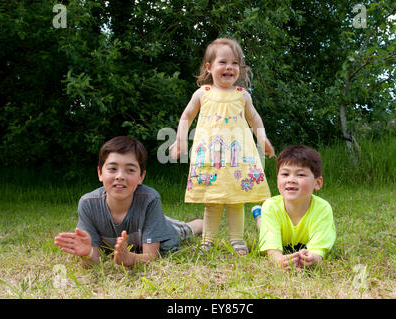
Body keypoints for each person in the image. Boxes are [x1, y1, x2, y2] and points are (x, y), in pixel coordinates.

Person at [169, 38, 275, 255]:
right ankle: (207, 241)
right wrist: (179, 140)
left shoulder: (242, 95)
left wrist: (263, 140)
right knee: (213, 200)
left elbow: (255, 119)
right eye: (223, 62)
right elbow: (186, 117)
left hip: (238, 158)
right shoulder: (202, 93)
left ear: (240, 69)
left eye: (235, 63)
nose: (229, 67)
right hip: (211, 158)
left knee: (237, 199)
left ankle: (237, 240)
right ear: (209, 67)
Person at [54, 136, 203, 267]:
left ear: (141, 177)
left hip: (160, 230)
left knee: (186, 229)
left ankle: (199, 224)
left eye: (130, 170)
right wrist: (87, 254)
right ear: (100, 173)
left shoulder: (150, 200)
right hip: (142, 227)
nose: (120, 176)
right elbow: (94, 261)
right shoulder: (88, 204)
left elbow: (152, 256)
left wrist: (129, 258)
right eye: (112, 169)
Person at [252, 145, 336, 269]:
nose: (291, 179)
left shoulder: (323, 209)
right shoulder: (270, 206)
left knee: (264, 222)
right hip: (278, 230)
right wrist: (279, 260)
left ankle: (259, 215)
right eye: (285, 174)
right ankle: (259, 215)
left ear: (317, 183)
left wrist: (312, 258)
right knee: (262, 225)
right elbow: (272, 252)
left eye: (300, 175)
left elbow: (318, 252)